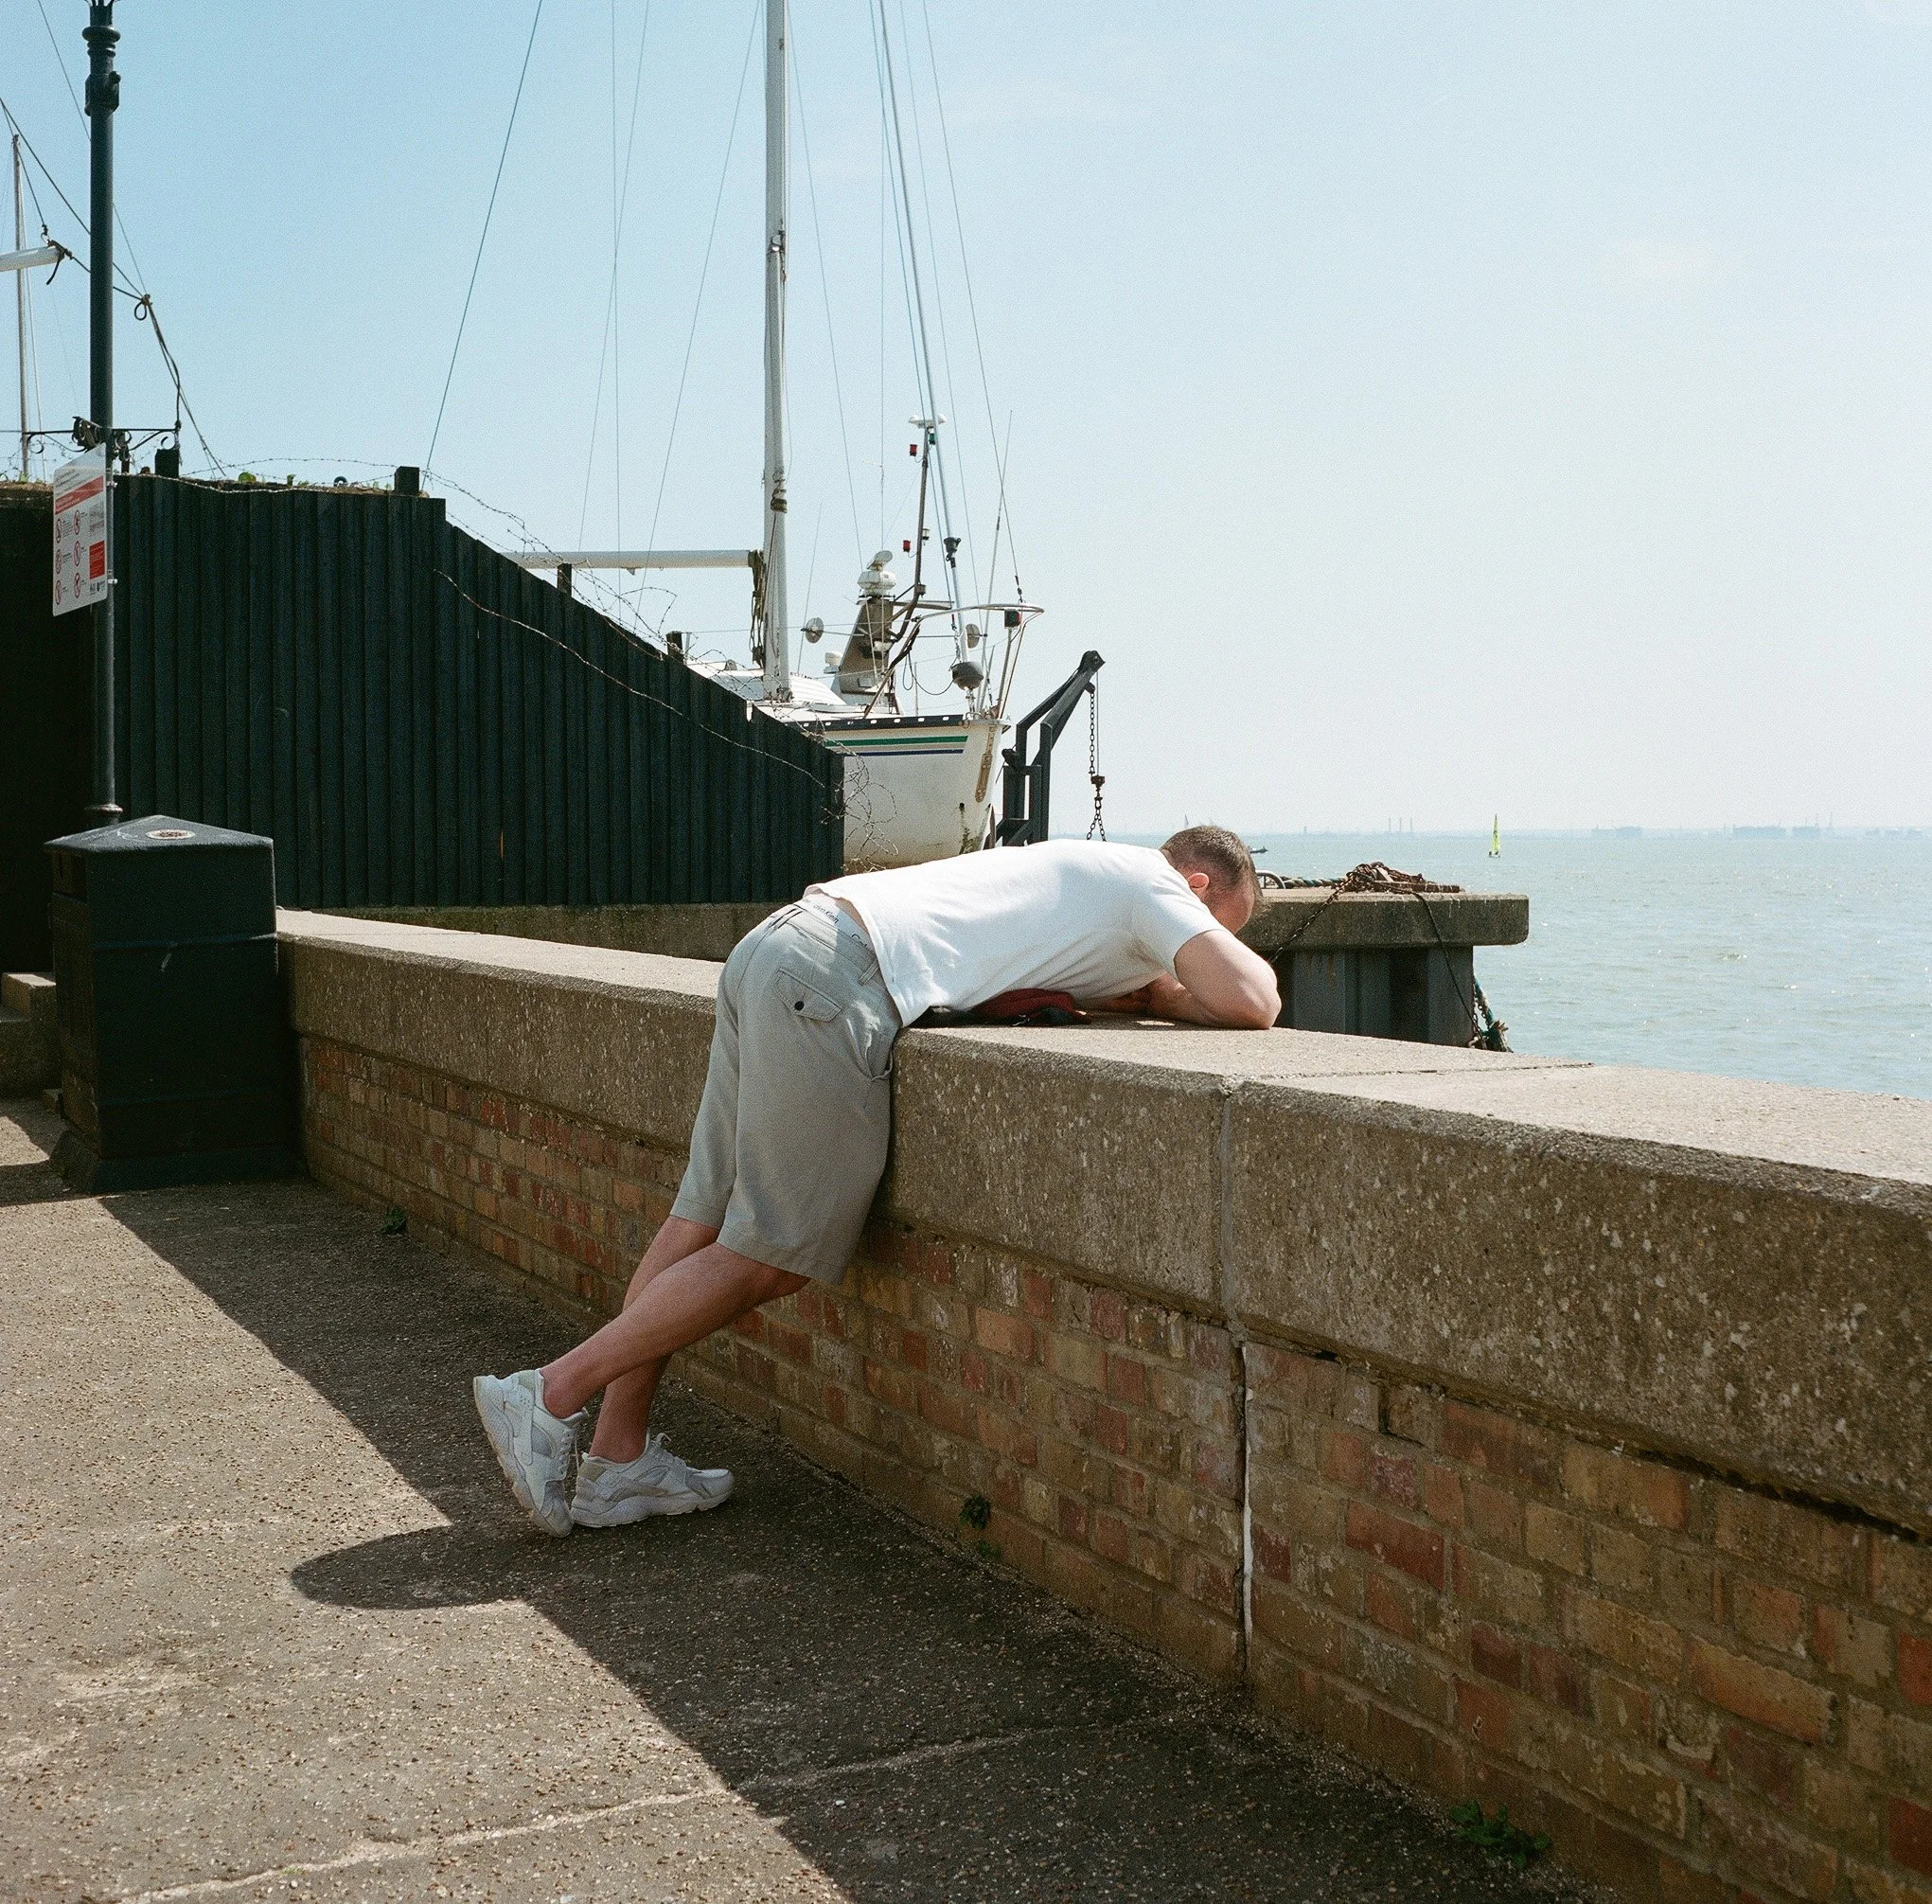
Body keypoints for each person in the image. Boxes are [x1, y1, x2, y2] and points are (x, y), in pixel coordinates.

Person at [472, 826, 1280, 1535]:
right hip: (834, 979)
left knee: (703, 1216)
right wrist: (1176, 995)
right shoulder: (1149, 880)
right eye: (1214, 925)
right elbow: (1251, 999)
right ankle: (548, 1392)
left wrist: (1145, 988)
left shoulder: (1069, 874)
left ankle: (618, 1461)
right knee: (772, 1252)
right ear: (1196, 885)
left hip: (782, 947)